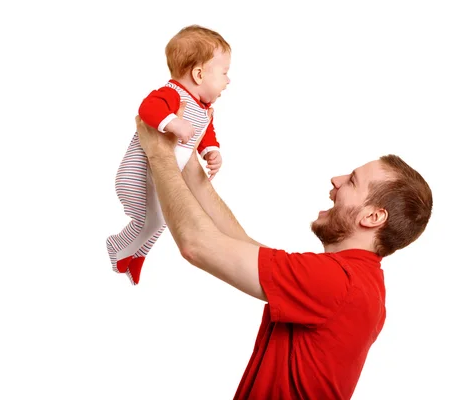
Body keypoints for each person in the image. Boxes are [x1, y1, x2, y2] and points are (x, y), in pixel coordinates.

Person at [134, 110, 433, 399]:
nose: (336, 179)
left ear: (372, 217)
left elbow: (197, 244)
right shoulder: (357, 281)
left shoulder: (339, 282)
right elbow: (238, 243)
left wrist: (159, 153)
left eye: (352, 181)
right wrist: (185, 153)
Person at [106, 25, 231, 285]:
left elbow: (206, 133)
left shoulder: (204, 109)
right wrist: (172, 122)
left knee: (163, 221)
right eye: (224, 73)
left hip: (160, 181)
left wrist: (211, 150)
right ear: (198, 74)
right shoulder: (173, 94)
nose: (228, 81)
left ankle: (137, 256)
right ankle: (117, 247)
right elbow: (148, 108)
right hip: (138, 177)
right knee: (149, 222)